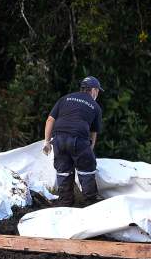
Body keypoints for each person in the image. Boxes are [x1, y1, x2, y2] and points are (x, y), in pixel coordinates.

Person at [42, 76, 105, 206]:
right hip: (79, 140)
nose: (97, 94)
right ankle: (91, 204)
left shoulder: (65, 99)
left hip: (58, 139)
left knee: (63, 172)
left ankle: (65, 204)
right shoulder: (95, 106)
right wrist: (90, 150)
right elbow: (93, 132)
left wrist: (47, 142)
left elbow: (50, 120)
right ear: (93, 90)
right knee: (86, 171)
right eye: (98, 91)